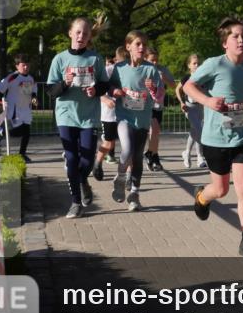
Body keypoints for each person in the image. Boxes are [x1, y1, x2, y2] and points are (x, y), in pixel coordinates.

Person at [183, 17, 243, 259]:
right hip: (215, 138)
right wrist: (207, 101)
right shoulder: (214, 64)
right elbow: (188, 86)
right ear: (225, 43)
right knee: (220, 190)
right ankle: (202, 195)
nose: (241, 39)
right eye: (235, 36)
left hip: (242, 137)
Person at [46, 17, 110, 219]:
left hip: (88, 117)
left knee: (88, 158)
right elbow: (51, 91)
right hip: (66, 115)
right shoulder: (59, 59)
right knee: (72, 158)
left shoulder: (95, 59)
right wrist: (64, 83)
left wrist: (95, 90)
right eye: (78, 32)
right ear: (70, 33)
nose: (81, 36)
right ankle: (75, 202)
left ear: (90, 36)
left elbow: (104, 84)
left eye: (85, 33)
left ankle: (83, 180)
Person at [108, 31, 162, 212]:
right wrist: (115, 91)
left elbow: (160, 95)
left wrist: (153, 88)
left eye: (144, 45)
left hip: (143, 119)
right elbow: (111, 86)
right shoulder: (120, 67)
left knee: (137, 158)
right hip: (124, 117)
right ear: (128, 46)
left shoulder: (151, 69)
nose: (142, 48)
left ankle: (134, 195)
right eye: (138, 44)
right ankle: (121, 176)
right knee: (127, 149)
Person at [91, 47, 126, 182]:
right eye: (123, 61)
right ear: (117, 60)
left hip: (125, 113)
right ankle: (97, 163)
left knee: (127, 144)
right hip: (109, 114)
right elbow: (97, 87)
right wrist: (104, 98)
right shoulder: (110, 69)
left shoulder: (132, 71)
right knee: (109, 143)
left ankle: (127, 175)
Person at [0, 53, 37, 162]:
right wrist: (0, 103)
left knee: (27, 132)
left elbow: (33, 92)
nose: (26, 67)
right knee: (16, 131)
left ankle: (22, 154)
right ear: (17, 66)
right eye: (23, 65)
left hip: (26, 110)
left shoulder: (31, 78)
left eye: (28, 65)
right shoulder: (12, 77)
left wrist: (34, 98)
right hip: (14, 110)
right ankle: (0, 132)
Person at [144, 46, 176, 172]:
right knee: (153, 130)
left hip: (158, 105)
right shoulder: (143, 70)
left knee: (156, 132)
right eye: (152, 60)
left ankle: (153, 154)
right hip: (146, 106)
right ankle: (150, 155)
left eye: (156, 60)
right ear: (145, 59)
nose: (155, 62)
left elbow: (174, 85)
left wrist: (165, 79)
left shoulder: (162, 70)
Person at [176, 54, 207, 170]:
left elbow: (205, 90)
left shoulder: (203, 77)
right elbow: (177, 89)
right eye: (194, 63)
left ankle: (187, 152)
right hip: (189, 107)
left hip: (200, 107)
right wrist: (181, 102)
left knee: (194, 131)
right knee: (198, 130)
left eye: (198, 63)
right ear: (189, 65)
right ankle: (200, 157)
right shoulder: (186, 78)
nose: (197, 65)